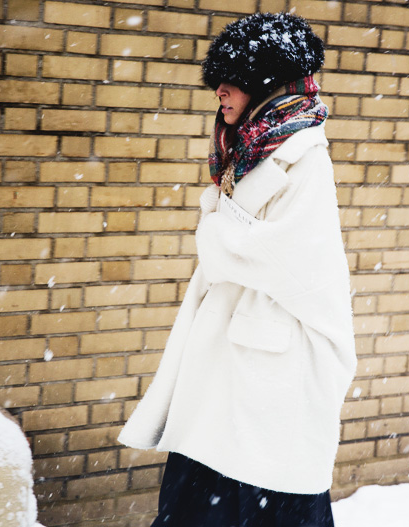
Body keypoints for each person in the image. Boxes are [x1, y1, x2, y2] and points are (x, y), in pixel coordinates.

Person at [118, 12, 356, 527]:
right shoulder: (250, 148)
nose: (220, 93)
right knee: (202, 495)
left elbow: (287, 260)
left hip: (271, 375)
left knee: (261, 501)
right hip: (230, 368)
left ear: (266, 84)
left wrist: (215, 233)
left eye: (232, 83)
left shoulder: (304, 155)